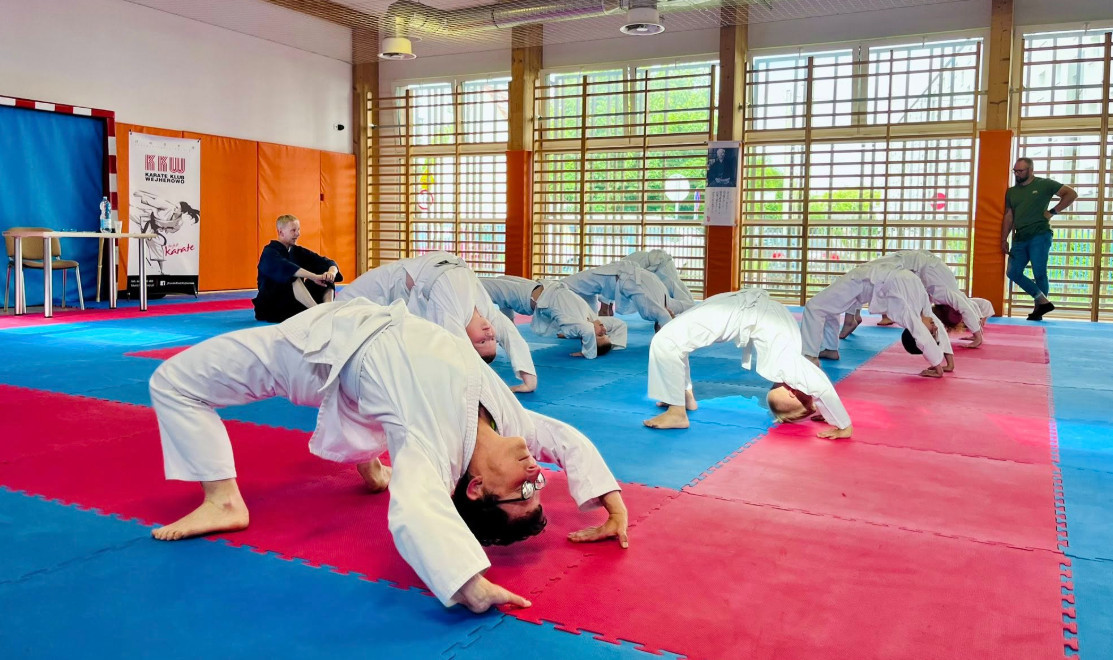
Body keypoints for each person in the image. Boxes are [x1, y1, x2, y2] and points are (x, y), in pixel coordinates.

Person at [148, 299, 629, 613]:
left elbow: (418, 509)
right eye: (537, 487)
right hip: (361, 327)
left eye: (521, 491)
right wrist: (613, 503)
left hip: (313, 353)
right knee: (389, 413)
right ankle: (369, 458)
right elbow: (565, 440)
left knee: (172, 382)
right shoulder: (514, 429)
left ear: (478, 488)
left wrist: (469, 583)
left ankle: (223, 500)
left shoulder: (430, 453)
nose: (534, 475)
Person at [644, 288, 852, 438]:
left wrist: (832, 417)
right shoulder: (786, 366)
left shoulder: (785, 364)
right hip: (743, 310)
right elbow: (820, 386)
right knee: (672, 338)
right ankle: (680, 395)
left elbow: (818, 385)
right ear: (792, 392)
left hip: (741, 310)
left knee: (668, 339)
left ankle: (678, 411)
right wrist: (841, 423)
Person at [338, 252, 538, 392]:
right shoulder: (487, 314)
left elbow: (463, 359)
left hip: (393, 284)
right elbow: (512, 335)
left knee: (340, 311)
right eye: (493, 339)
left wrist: (493, 392)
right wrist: (529, 378)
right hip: (411, 272)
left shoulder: (450, 319)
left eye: (482, 342)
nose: (489, 334)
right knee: (338, 309)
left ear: (466, 340)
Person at [802, 264, 954, 377]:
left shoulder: (908, 313)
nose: (935, 328)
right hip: (868, 278)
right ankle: (830, 349)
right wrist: (948, 362)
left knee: (814, 307)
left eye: (931, 333)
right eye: (935, 332)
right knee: (828, 307)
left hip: (861, 281)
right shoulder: (924, 309)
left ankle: (809, 356)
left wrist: (937, 367)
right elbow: (936, 327)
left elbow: (922, 336)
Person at [839, 250, 985, 348]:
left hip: (910, 263)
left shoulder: (943, 295)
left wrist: (977, 332)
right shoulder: (945, 295)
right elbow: (966, 308)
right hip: (910, 262)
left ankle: (851, 318)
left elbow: (966, 307)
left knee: (861, 275)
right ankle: (852, 317)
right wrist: (977, 335)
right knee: (862, 275)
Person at [481, 275, 628, 359]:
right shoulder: (591, 319)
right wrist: (615, 344)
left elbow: (587, 331)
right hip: (535, 287)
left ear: (587, 338)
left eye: (600, 336)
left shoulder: (577, 323)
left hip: (525, 298)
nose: (603, 330)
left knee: (481, 285)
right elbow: (620, 325)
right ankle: (509, 330)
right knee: (499, 283)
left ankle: (507, 333)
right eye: (606, 333)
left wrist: (587, 353)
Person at [1002, 157, 1077, 320]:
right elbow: (1008, 216)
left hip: (1040, 234)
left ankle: (1039, 310)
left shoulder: (1044, 184)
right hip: (1020, 237)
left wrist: (1053, 211)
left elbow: (1071, 194)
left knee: (1039, 272)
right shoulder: (1012, 192)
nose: (1017, 174)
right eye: (1015, 171)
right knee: (1012, 272)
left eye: (1020, 171)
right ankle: (1043, 301)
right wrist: (1003, 239)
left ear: (1031, 170)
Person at [252, 214, 341, 323]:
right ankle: (318, 313)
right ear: (281, 232)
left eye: (298, 230)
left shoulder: (297, 251)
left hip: (292, 304)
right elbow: (287, 268)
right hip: (272, 307)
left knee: (326, 275)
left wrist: (331, 272)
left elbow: (327, 262)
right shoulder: (269, 252)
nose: (298, 234)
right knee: (291, 276)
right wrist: (314, 277)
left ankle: (328, 309)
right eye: (293, 230)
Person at [561, 262, 676, 330]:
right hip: (613, 276)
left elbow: (664, 315)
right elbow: (664, 316)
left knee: (583, 299)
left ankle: (582, 328)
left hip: (615, 279)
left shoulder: (654, 307)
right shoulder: (658, 306)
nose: (671, 314)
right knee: (563, 286)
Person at [620, 249, 696, 313]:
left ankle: (668, 311)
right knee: (676, 292)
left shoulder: (628, 264)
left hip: (663, 268)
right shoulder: (626, 267)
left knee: (676, 291)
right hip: (661, 269)